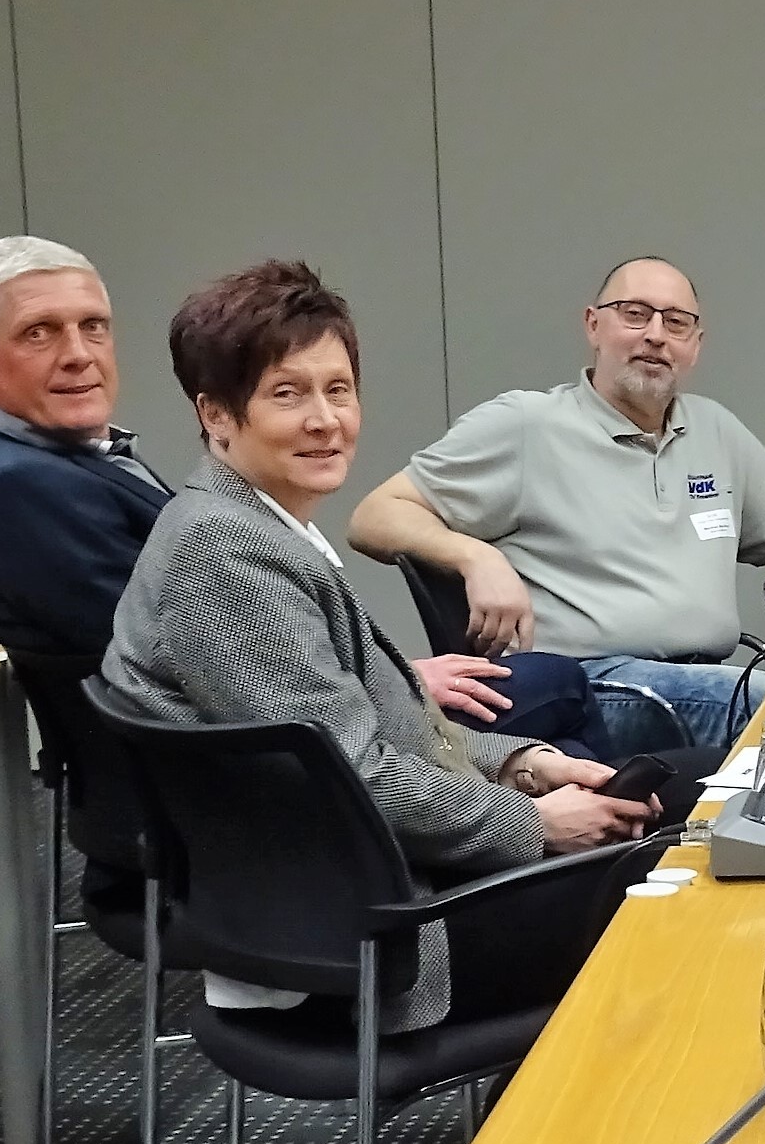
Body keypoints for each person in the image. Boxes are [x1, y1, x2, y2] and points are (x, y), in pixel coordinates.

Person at [102, 262, 671, 1033]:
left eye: (338, 390)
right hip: (367, 945)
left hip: (376, 900)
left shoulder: (254, 527)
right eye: (286, 393)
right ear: (216, 414)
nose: (324, 419)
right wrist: (537, 823)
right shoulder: (223, 557)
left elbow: (380, 730)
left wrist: (526, 764)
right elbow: (354, 776)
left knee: (694, 810)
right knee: (683, 884)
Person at [0, 235, 608, 751]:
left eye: (93, 326)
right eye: (40, 332)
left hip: (268, 739)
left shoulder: (63, 462)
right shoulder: (22, 490)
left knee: (570, 753)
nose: (78, 354)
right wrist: (395, 683)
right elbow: (206, 658)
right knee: (562, 695)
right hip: (230, 787)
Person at [348, 256, 765, 753]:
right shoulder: (526, 424)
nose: (655, 335)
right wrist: (475, 556)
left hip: (704, 678)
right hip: (595, 686)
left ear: (695, 345)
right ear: (593, 325)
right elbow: (374, 517)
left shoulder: (714, 431)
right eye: (635, 314)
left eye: (675, 323)